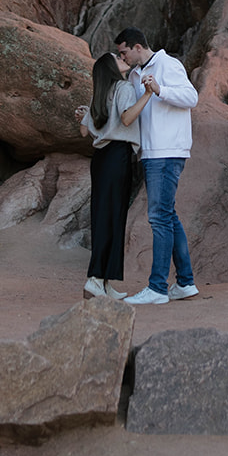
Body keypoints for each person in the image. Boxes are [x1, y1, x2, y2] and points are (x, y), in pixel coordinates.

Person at [113, 27, 199, 306]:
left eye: (124, 52)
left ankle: (158, 288)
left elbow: (191, 98)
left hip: (167, 151)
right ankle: (185, 283)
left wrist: (160, 89)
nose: (121, 57)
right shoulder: (136, 74)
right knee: (168, 216)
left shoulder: (168, 64)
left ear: (138, 47)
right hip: (151, 153)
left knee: (159, 218)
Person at [77, 52, 152, 300]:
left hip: (100, 159)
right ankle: (95, 279)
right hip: (118, 155)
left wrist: (82, 117)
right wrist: (150, 94)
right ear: (111, 67)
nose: (122, 58)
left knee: (103, 215)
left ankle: (104, 283)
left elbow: (83, 131)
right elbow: (128, 118)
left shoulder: (100, 91)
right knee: (113, 217)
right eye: (117, 58)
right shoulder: (123, 87)